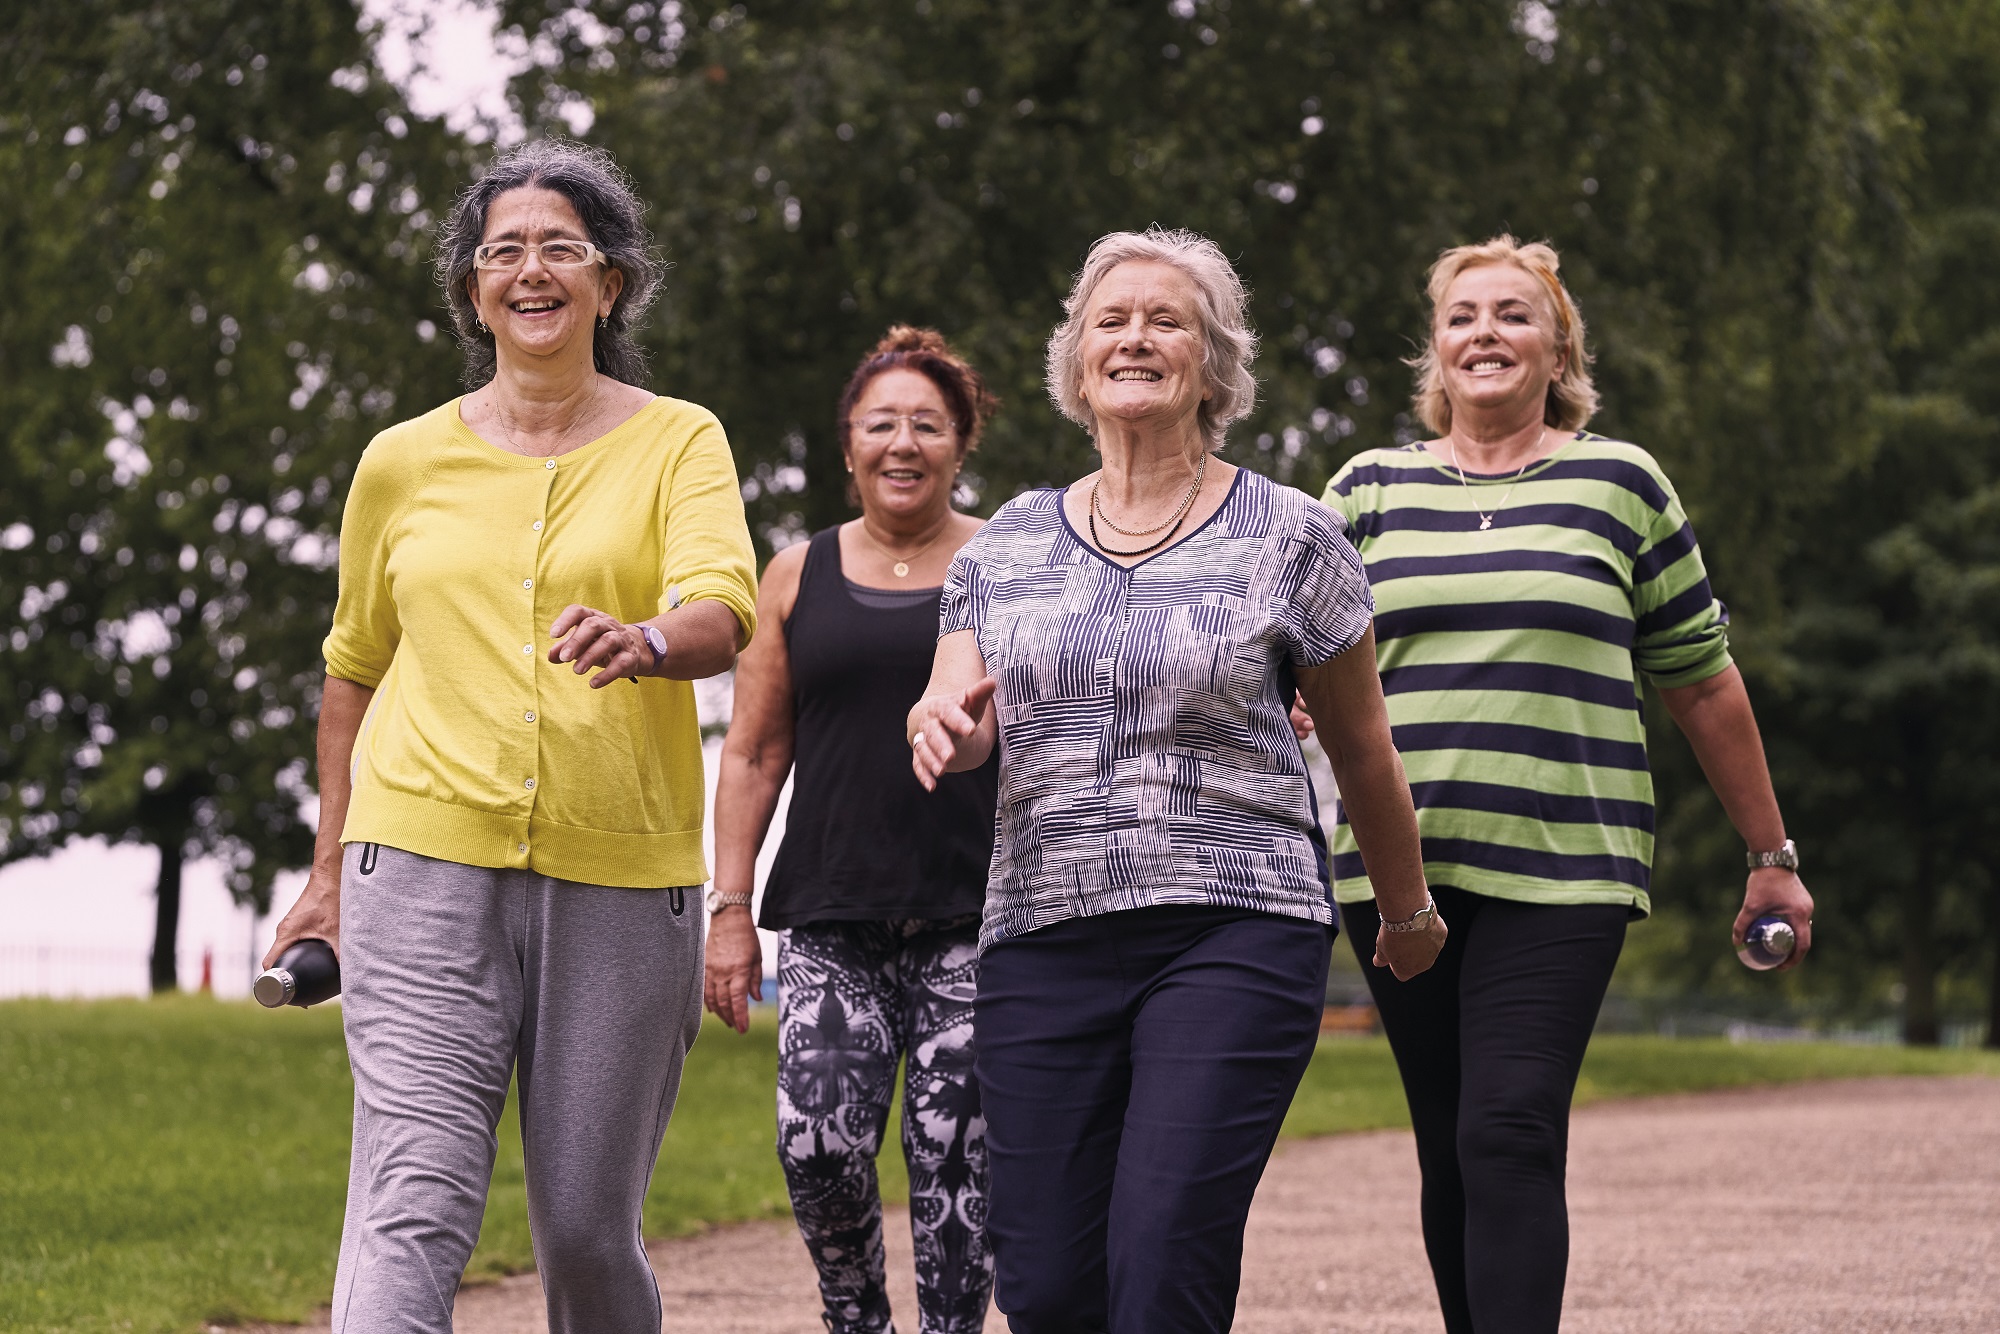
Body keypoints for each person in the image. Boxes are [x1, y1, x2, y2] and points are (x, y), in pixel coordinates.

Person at [907, 227, 1445, 1334]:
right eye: (1110, 319)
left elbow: (1360, 746)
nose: (1135, 338)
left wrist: (1404, 907)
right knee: (1048, 1283)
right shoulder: (1002, 544)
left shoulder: (1292, 533)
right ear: (1075, 359)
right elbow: (958, 709)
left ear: (1212, 362)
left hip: (1233, 927)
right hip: (1041, 932)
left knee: (1161, 1265)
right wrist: (940, 722)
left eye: (1166, 320)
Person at [261, 139, 758, 1334]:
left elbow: (723, 608)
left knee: (585, 1230)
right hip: (417, 865)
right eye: (502, 253)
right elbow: (353, 673)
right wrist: (326, 874)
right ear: (473, 290)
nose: (528, 271)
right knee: (410, 1199)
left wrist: (645, 638)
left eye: (558, 249)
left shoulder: (678, 439)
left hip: (622, 879)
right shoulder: (400, 461)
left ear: (610, 282)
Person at [1321, 234, 1815, 1333]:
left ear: (1558, 349)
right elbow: (1300, 661)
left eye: (1512, 313)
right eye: (1461, 315)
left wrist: (1769, 857)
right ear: (1434, 348)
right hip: (1397, 870)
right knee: (1450, 1134)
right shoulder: (1364, 489)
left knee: (1508, 1126)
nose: (1483, 332)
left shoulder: (1617, 482)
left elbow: (1699, 682)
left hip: (1564, 867)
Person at [705, 327, 1001, 1334]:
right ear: (847, 447)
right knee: (818, 1144)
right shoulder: (792, 574)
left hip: (977, 910)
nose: (902, 442)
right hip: (832, 915)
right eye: (880, 424)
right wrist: (729, 909)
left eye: (927, 423)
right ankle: (854, 1315)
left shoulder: (1009, 560)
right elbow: (749, 753)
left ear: (959, 444)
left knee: (957, 1157)